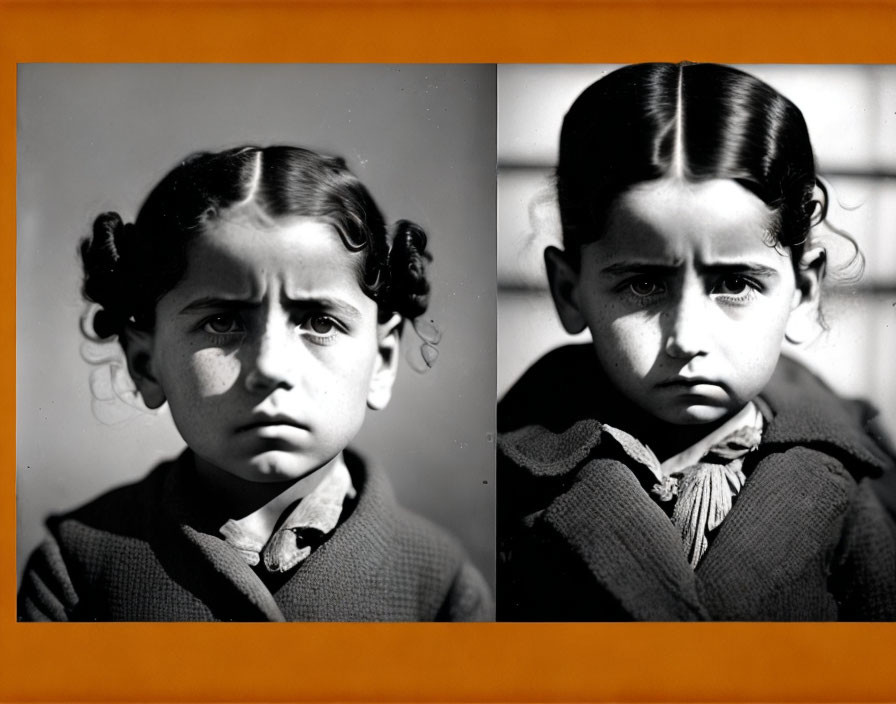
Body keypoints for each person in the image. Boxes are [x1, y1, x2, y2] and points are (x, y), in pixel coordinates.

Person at [19, 145, 493, 622]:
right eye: (223, 322)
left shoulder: (438, 587)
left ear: (382, 360)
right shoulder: (79, 570)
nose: (270, 367)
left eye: (320, 323)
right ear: (145, 363)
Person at [497, 63, 896, 621]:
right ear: (570, 290)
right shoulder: (506, 487)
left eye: (735, 284)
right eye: (643, 283)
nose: (686, 338)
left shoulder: (856, 496)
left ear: (804, 292)